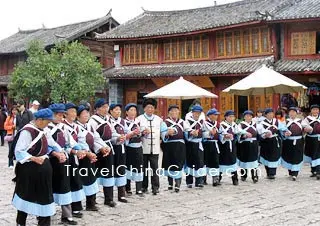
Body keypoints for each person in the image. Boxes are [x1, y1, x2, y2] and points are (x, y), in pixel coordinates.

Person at [12, 108, 55, 226]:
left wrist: (59, 151)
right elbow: (19, 151)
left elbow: (51, 144)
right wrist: (34, 158)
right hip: (29, 170)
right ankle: (20, 222)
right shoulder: (28, 131)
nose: (49, 123)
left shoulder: (44, 130)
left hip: (43, 170)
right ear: (40, 120)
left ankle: (44, 223)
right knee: (26, 194)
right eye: (48, 121)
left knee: (44, 197)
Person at [46, 103, 78, 225]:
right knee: (48, 187)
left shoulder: (63, 127)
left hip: (64, 160)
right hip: (50, 161)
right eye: (58, 114)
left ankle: (66, 215)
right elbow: (46, 145)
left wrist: (79, 149)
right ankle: (45, 214)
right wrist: (54, 152)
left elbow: (70, 142)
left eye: (61, 114)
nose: (60, 117)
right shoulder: (45, 128)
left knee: (65, 186)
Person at [76, 105, 105, 211]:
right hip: (81, 156)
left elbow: (96, 138)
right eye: (84, 114)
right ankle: (77, 205)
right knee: (80, 180)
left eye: (87, 113)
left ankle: (91, 203)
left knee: (92, 179)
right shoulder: (76, 127)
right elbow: (79, 142)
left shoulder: (89, 126)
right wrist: (87, 152)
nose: (86, 115)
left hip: (91, 155)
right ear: (78, 116)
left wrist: (103, 147)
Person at [88, 98, 116, 207]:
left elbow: (112, 132)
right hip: (97, 149)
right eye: (103, 107)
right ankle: (92, 200)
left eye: (106, 107)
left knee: (108, 174)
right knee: (95, 175)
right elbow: (93, 138)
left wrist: (118, 138)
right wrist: (100, 148)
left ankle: (108, 199)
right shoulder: (93, 121)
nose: (105, 109)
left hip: (108, 147)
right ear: (97, 109)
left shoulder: (108, 119)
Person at [138, 98, 167, 195]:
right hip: (143, 148)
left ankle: (155, 187)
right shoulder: (139, 119)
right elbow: (136, 133)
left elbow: (164, 132)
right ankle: (144, 186)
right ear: (144, 109)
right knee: (144, 168)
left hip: (155, 149)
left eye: (152, 107)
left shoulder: (159, 120)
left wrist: (166, 135)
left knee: (155, 168)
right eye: (148, 107)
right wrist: (142, 133)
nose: (150, 109)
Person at [63, 103, 86, 218]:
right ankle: (68, 209)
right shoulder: (63, 126)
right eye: (71, 111)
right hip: (67, 156)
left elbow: (82, 140)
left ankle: (76, 207)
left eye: (75, 112)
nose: (73, 114)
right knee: (68, 181)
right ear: (65, 113)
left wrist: (84, 150)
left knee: (76, 180)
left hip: (77, 155)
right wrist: (76, 151)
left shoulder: (76, 127)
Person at [161, 105, 188, 192]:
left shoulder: (183, 122)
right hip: (169, 146)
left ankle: (177, 184)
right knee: (169, 164)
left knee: (178, 164)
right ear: (169, 113)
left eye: (176, 111)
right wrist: (167, 133)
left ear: (178, 112)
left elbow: (187, 133)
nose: (174, 113)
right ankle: (170, 183)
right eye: (172, 111)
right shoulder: (165, 123)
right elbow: (162, 134)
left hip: (180, 146)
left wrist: (192, 133)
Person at [257, 108, 286, 179]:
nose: (270, 115)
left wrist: (286, 132)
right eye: (269, 113)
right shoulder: (261, 123)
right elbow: (259, 132)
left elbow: (283, 128)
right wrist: (264, 135)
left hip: (275, 141)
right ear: (266, 115)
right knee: (267, 156)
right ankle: (268, 172)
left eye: (272, 113)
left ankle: (272, 173)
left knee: (274, 156)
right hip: (266, 142)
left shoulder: (277, 121)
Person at [219, 110, 244, 185]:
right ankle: (218, 178)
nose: (231, 118)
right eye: (230, 116)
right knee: (222, 161)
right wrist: (225, 136)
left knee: (233, 161)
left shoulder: (234, 125)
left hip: (232, 145)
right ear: (226, 117)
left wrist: (241, 134)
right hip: (224, 146)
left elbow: (239, 132)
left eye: (233, 116)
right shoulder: (222, 125)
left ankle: (235, 179)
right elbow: (219, 134)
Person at [109, 104, 128, 203]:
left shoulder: (122, 121)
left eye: (119, 110)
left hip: (121, 148)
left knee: (121, 169)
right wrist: (118, 137)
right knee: (111, 171)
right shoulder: (108, 121)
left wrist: (133, 133)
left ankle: (121, 194)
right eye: (116, 110)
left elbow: (127, 132)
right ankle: (110, 197)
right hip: (112, 148)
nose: (118, 112)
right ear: (111, 111)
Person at [124, 103, 144, 196]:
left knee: (139, 167)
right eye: (131, 110)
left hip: (139, 147)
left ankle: (139, 188)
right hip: (129, 148)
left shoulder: (138, 122)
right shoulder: (123, 122)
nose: (133, 112)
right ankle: (128, 188)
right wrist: (132, 134)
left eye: (134, 110)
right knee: (128, 167)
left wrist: (144, 132)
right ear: (127, 112)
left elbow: (142, 134)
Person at [184, 105, 205, 188]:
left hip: (199, 144)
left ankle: (199, 181)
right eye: (195, 113)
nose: (197, 114)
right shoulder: (187, 121)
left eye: (198, 113)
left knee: (199, 162)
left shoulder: (202, 122)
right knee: (189, 162)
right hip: (190, 144)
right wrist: (191, 133)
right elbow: (185, 131)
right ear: (192, 113)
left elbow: (204, 132)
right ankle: (189, 181)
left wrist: (209, 133)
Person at [281, 107, 304, 181]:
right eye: (290, 112)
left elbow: (305, 129)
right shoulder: (285, 122)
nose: (292, 113)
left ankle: (295, 173)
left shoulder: (301, 121)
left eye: (294, 112)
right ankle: (290, 171)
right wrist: (285, 133)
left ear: (296, 113)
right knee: (289, 156)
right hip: (288, 142)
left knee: (297, 156)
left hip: (298, 142)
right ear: (288, 113)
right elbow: (281, 131)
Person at [237, 110, 259, 183]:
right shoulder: (241, 125)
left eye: (250, 116)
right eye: (246, 116)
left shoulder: (256, 124)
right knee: (244, 160)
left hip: (253, 144)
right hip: (244, 144)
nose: (248, 117)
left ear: (252, 117)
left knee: (254, 161)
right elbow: (238, 134)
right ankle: (244, 175)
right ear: (244, 117)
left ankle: (255, 176)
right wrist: (244, 135)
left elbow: (259, 133)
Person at [202, 108, 220, 186]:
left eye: (216, 115)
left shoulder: (218, 124)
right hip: (206, 144)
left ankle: (215, 179)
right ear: (209, 115)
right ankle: (203, 178)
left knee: (215, 161)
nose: (216, 116)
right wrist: (209, 133)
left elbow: (221, 133)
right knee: (205, 161)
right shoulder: (204, 123)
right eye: (215, 115)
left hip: (215, 144)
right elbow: (201, 133)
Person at [302, 104, 320, 179]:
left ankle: (318, 171)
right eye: (313, 109)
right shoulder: (307, 119)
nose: (315, 111)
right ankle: (313, 170)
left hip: (319, 139)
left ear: (318, 110)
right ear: (311, 111)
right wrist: (307, 128)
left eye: (316, 109)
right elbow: (303, 125)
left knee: (318, 155)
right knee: (311, 154)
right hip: (310, 139)